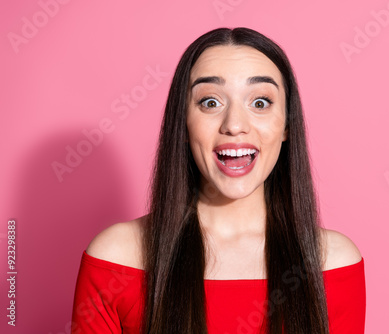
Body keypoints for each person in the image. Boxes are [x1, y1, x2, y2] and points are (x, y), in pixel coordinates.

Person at [71, 27, 366, 334]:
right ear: (183, 125)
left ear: (287, 126)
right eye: (210, 102)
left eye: (260, 102)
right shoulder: (116, 257)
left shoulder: (331, 263)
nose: (235, 125)